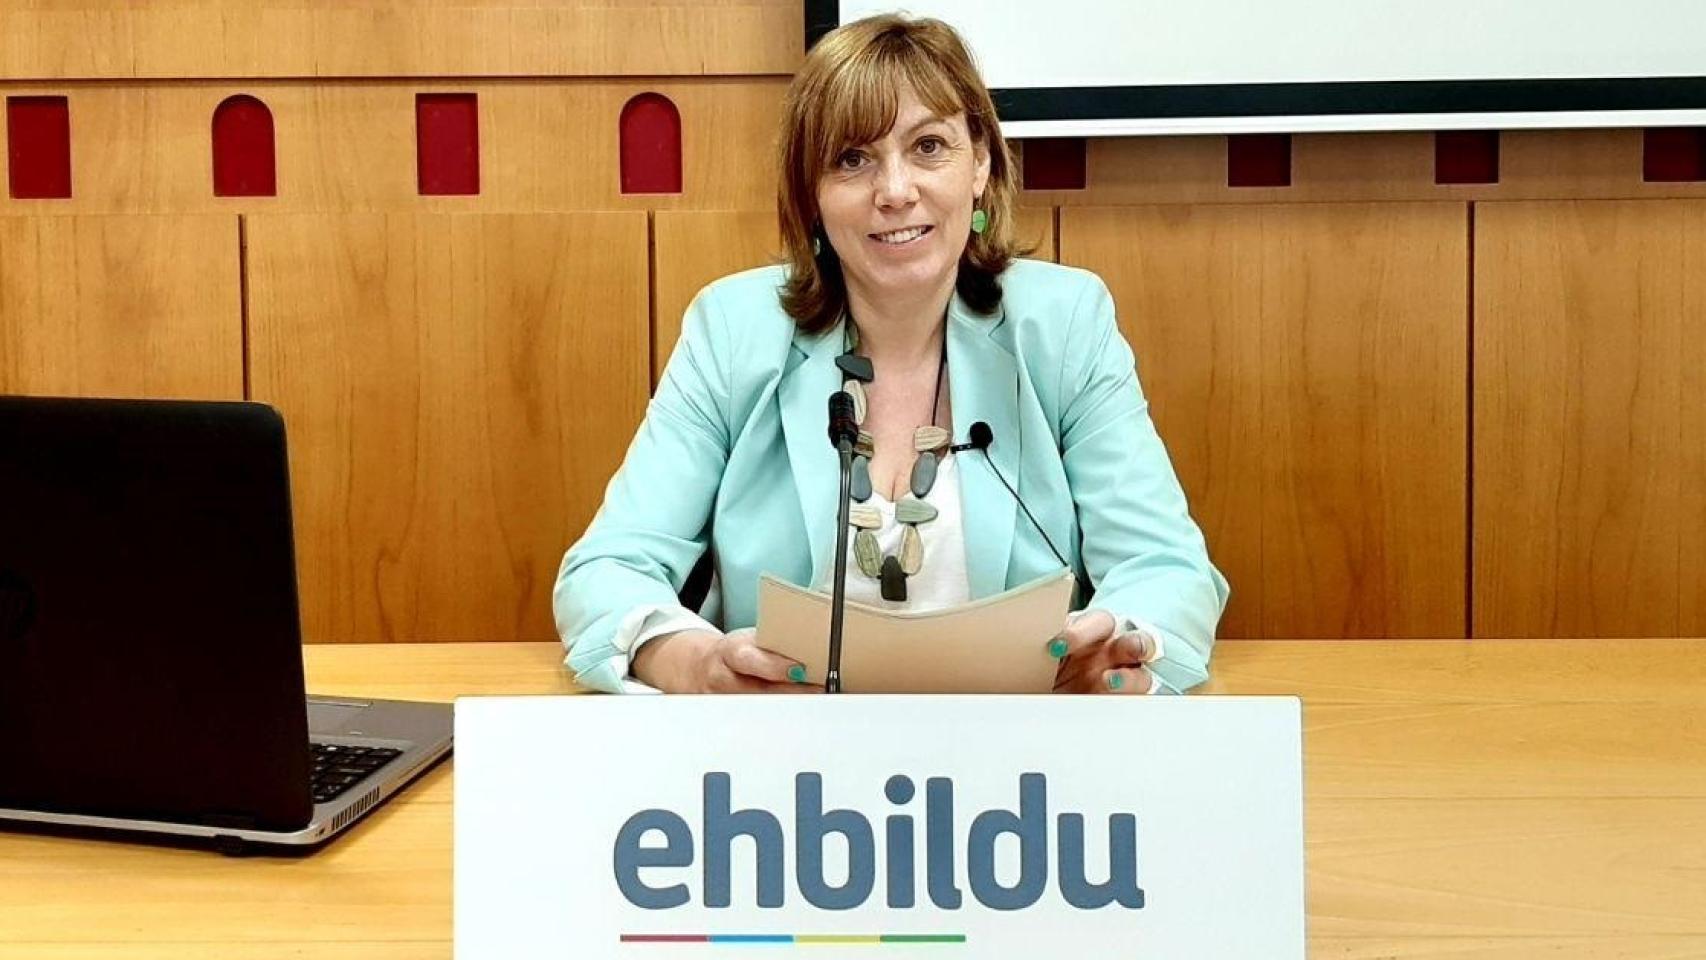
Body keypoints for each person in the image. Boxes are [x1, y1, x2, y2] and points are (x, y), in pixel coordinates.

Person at [554, 14, 1227, 694]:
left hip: (1020, 740)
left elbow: (1165, 569)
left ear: (980, 165)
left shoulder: (1063, 323)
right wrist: (692, 663)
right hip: (783, 743)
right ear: (812, 195)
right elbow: (607, 570)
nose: (896, 191)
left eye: (928, 146)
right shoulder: (734, 330)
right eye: (853, 159)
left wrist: (1121, 649)